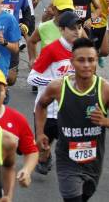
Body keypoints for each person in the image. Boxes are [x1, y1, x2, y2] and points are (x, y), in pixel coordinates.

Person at [35, 38, 109, 202]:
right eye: (81, 60)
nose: (86, 65)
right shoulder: (58, 87)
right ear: (72, 62)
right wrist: (40, 133)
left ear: (96, 61)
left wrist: (106, 122)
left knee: (84, 197)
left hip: (94, 159)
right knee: (73, 199)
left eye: (91, 60)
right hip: (66, 157)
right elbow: (41, 106)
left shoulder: (106, 89)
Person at [28, 11, 84, 174]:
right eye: (72, 28)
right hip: (48, 111)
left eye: (79, 27)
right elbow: (31, 79)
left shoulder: (82, 50)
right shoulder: (51, 50)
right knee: (43, 150)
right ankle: (45, 157)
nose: (76, 31)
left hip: (70, 111)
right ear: (62, 30)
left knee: (74, 152)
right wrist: (54, 84)